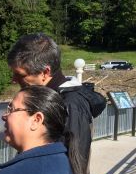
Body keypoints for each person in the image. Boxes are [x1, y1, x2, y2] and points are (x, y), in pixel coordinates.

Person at [7, 33, 106, 164]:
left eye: (20, 74)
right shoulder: (48, 97)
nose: (14, 80)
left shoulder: (70, 104)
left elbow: (73, 164)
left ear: (45, 72)